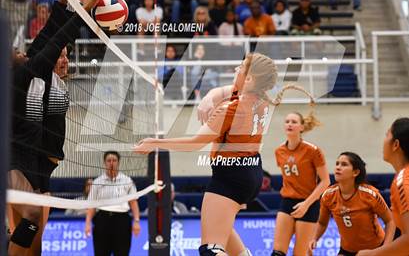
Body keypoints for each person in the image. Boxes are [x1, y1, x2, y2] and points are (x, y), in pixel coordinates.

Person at [135, 53, 290, 255]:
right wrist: (209, 98)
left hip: (229, 177)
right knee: (226, 236)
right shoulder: (261, 101)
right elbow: (226, 90)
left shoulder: (231, 109)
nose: (235, 69)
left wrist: (155, 143)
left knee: (210, 250)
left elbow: (194, 143)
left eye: (240, 67)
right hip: (252, 173)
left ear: (250, 78)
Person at [8, 0, 109, 256]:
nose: (20, 51)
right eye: (14, 52)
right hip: (12, 157)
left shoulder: (25, 69)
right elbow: (53, 44)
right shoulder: (19, 77)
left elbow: (49, 33)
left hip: (35, 159)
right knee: (30, 215)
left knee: (35, 226)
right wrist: (82, 11)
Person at [309, 152, 395, 256]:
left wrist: (385, 249)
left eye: (344, 164)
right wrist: (314, 238)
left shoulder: (370, 194)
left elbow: (390, 221)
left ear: (355, 172)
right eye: (337, 164)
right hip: (347, 250)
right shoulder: (328, 195)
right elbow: (322, 223)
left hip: (374, 249)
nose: (338, 167)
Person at [357, 118, 409, 256]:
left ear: (396, 144)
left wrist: (373, 254)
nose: (383, 140)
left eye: (387, 135)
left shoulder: (406, 180)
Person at [272, 108, 330, 256]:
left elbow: (325, 181)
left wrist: (306, 204)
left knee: (300, 253)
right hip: (287, 202)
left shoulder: (313, 151)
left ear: (301, 127)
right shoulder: (279, 151)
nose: (290, 124)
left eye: (294, 122)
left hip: (309, 204)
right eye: (287, 121)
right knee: (277, 253)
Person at [85, 151, 141, 256]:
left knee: (122, 253)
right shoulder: (97, 181)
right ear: (104, 163)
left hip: (122, 220)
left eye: (114, 160)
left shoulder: (127, 180)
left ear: (118, 162)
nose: (111, 163)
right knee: (101, 253)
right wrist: (87, 223)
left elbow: (133, 203)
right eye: (109, 160)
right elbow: (91, 205)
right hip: (102, 220)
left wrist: (136, 221)